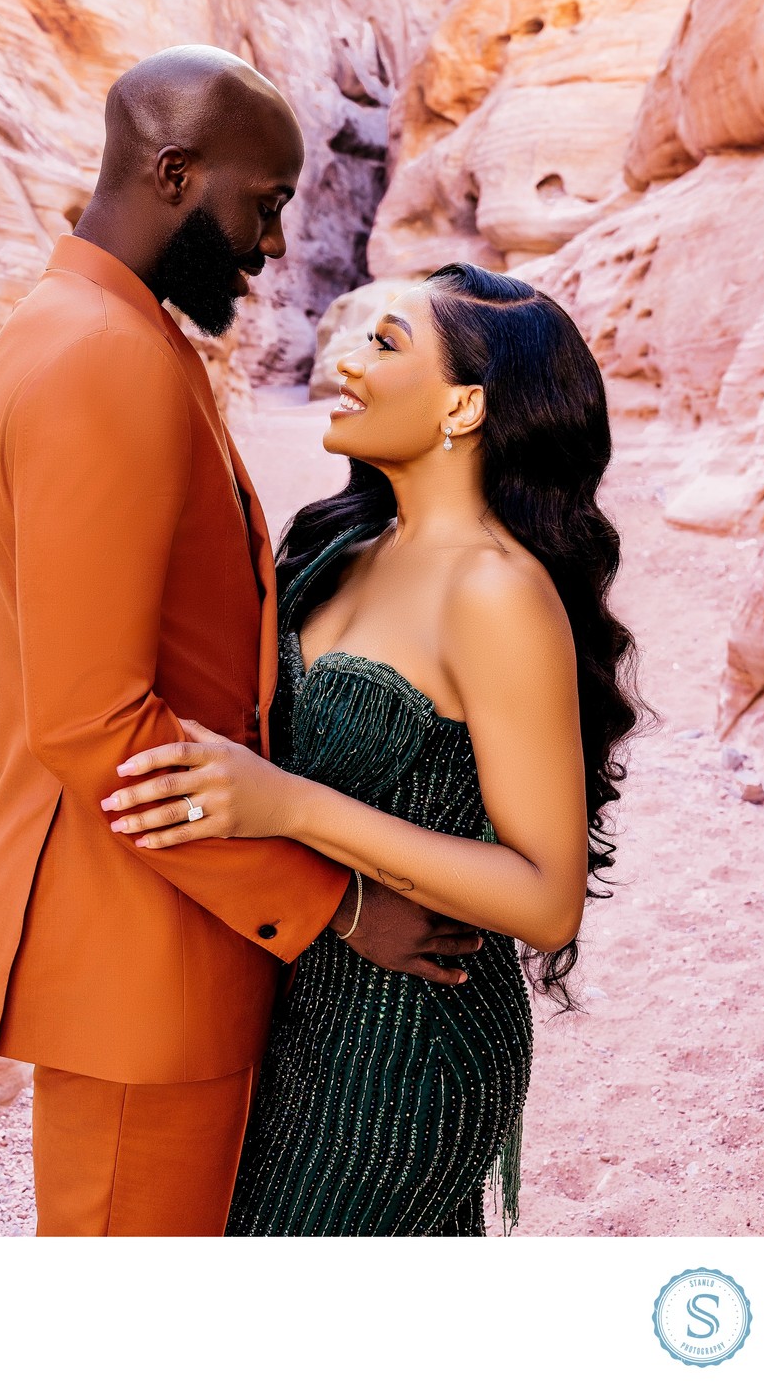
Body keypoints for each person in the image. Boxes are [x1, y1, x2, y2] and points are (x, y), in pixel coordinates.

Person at [0, 46, 480, 1238]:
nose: (272, 243)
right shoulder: (101, 360)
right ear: (173, 169)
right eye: (262, 203)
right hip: (137, 952)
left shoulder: (109, 332)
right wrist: (337, 906)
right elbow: (96, 720)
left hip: (157, 932)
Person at [100, 263, 647, 1236]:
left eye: (386, 343)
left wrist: (289, 807)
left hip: (410, 1045)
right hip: (301, 1000)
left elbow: (546, 895)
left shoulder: (494, 594)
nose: (342, 360)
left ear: (465, 406)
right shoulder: (343, 541)